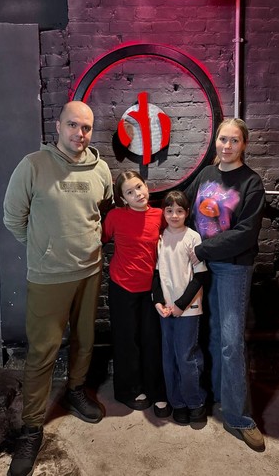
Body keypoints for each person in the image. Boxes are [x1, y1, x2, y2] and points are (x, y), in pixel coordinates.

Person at [3, 100, 114, 476]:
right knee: (42, 352)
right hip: (48, 276)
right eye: (73, 125)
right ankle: (32, 428)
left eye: (86, 127)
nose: (79, 133)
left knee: (85, 339)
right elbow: (13, 217)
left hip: (89, 272)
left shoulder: (101, 169)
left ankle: (76, 390)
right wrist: (44, 249)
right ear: (58, 126)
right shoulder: (33, 165)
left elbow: (103, 210)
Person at [184, 117, 266, 452]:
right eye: (222, 139)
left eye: (234, 140)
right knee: (212, 334)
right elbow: (186, 208)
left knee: (231, 341)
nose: (227, 146)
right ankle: (219, 396)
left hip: (232, 267)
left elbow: (245, 233)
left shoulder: (251, 182)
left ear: (244, 144)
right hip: (201, 266)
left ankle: (239, 417)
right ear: (215, 141)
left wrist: (202, 249)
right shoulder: (206, 174)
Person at [101, 170, 171, 418]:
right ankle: (128, 390)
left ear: (146, 186)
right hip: (122, 286)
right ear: (123, 199)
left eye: (139, 187)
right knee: (126, 341)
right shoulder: (115, 216)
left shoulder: (160, 216)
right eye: (130, 192)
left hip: (151, 288)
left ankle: (155, 389)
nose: (137, 194)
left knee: (152, 340)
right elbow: (100, 239)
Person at [151, 190, 208, 428]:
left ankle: (195, 403)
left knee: (186, 357)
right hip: (166, 310)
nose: (174, 215)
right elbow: (156, 274)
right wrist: (158, 302)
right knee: (169, 358)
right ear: (163, 212)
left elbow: (200, 276)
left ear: (187, 213)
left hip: (188, 309)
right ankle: (178, 403)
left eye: (179, 211)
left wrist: (180, 305)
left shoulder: (193, 237)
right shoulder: (160, 238)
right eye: (169, 210)